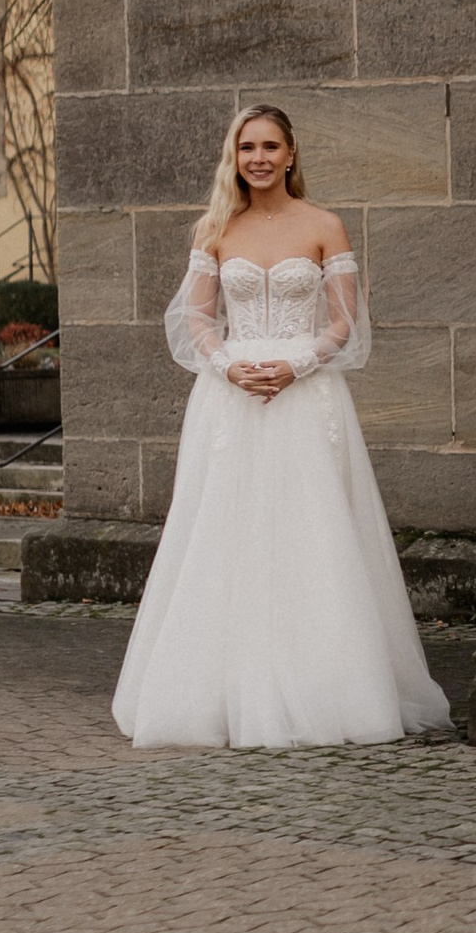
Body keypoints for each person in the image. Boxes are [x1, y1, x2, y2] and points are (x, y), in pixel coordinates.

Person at [112, 102, 450, 751]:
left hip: (306, 396)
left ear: (291, 154)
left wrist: (296, 364)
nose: (258, 158)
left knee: (312, 534)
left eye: (270, 146)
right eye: (247, 148)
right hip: (231, 400)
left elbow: (346, 325)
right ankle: (211, 690)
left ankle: (333, 688)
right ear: (233, 158)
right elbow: (197, 321)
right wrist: (227, 366)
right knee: (223, 535)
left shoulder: (325, 226)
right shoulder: (216, 230)